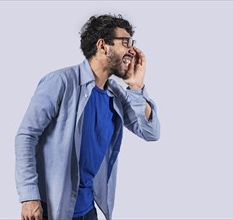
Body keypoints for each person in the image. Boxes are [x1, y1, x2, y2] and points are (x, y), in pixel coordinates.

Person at [15, 14, 160, 220]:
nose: (132, 50)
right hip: (50, 208)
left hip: (87, 209)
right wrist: (29, 197)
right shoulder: (61, 82)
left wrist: (136, 87)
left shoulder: (116, 95)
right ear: (103, 46)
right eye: (125, 42)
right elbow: (26, 136)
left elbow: (150, 132)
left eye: (132, 43)